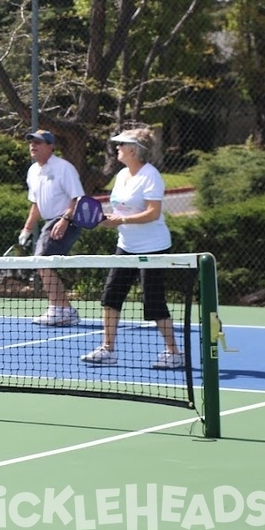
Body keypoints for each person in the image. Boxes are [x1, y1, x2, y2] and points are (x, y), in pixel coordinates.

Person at [80, 127, 184, 370]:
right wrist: (108, 220)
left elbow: (153, 213)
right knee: (110, 296)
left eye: (122, 144)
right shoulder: (122, 176)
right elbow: (121, 211)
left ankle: (174, 353)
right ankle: (108, 349)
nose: (117, 147)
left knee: (154, 301)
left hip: (153, 248)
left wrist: (122, 220)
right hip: (126, 246)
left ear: (134, 150)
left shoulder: (151, 176)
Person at [19, 130, 86, 326]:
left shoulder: (64, 168)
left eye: (39, 142)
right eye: (31, 142)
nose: (33, 145)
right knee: (43, 263)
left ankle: (61, 309)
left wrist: (64, 220)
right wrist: (27, 230)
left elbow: (77, 198)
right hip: (50, 221)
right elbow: (36, 204)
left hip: (67, 220)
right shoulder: (33, 172)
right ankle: (62, 308)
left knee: (42, 262)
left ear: (51, 147)